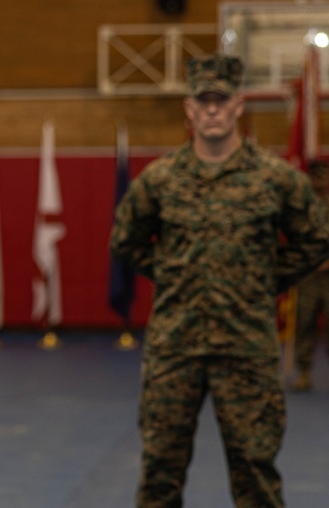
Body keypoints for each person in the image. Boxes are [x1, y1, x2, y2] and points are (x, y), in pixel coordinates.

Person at [109, 54, 329, 508]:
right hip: (176, 348)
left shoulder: (274, 179)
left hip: (246, 349)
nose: (212, 109)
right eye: (203, 100)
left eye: (221, 100)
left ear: (238, 105)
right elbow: (125, 241)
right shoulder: (161, 181)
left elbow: (317, 237)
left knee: (256, 476)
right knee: (159, 475)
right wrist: (176, 274)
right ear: (189, 109)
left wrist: (264, 279)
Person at [292, 159, 329, 391]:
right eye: (315, 176)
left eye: (323, 176)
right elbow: (294, 237)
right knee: (304, 322)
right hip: (307, 275)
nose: (319, 181)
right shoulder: (301, 207)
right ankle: (303, 371)